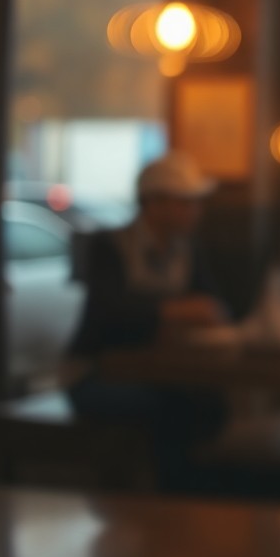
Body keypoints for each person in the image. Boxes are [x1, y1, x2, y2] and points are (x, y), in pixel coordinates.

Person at [64, 153, 230, 488]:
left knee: (210, 405)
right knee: (169, 410)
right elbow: (109, 313)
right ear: (153, 204)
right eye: (185, 202)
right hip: (93, 373)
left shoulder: (188, 249)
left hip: (163, 372)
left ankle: (192, 502)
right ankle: (162, 505)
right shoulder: (109, 245)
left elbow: (212, 305)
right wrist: (175, 310)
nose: (194, 211)